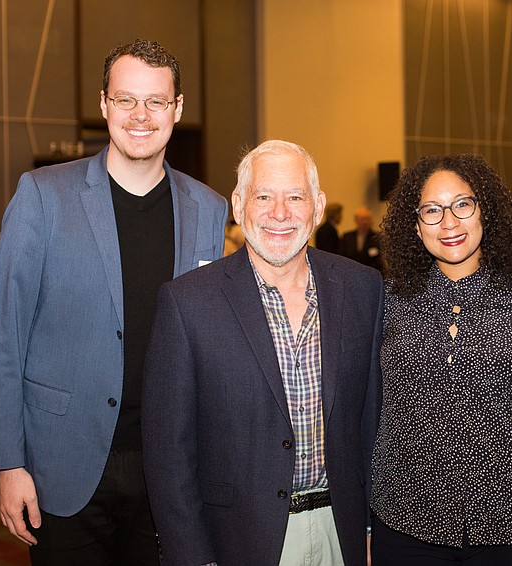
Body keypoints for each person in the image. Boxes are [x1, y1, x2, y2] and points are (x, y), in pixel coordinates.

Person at [0, 38, 228, 564]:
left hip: (167, 469)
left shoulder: (208, 208)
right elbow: (5, 334)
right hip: (60, 466)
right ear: (103, 105)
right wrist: (8, 463)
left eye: (156, 101)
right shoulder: (42, 195)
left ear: (177, 109)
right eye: (125, 100)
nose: (140, 115)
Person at [141, 140, 383, 565]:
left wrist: (370, 529)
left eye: (295, 197)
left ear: (318, 206)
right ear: (239, 204)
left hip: (340, 529)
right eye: (264, 196)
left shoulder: (362, 288)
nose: (280, 213)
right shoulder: (188, 302)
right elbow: (169, 456)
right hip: (238, 538)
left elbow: (373, 421)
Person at [370, 154, 512, 565]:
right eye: (431, 210)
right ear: (415, 223)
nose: (449, 223)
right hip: (407, 520)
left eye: (462, 204)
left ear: (485, 210)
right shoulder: (384, 302)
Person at [340, 206, 383, 271]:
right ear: (356, 220)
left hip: (369, 273)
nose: (365, 222)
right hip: (349, 272)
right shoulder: (347, 237)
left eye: (367, 219)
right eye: (362, 219)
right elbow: (341, 257)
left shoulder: (376, 237)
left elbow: (379, 259)